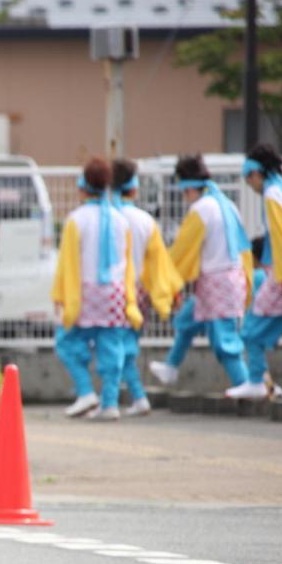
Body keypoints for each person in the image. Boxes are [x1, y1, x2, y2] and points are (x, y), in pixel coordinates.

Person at [148, 155, 253, 395]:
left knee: (224, 340)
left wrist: (166, 281)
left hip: (217, 282)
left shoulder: (202, 210)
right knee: (186, 321)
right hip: (228, 280)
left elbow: (181, 251)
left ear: (190, 187)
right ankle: (171, 367)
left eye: (183, 193)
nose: (184, 199)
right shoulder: (226, 204)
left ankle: (246, 383)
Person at [51, 158, 142, 421]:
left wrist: (60, 297)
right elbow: (127, 265)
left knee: (67, 341)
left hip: (84, 293)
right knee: (112, 346)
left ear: (83, 187)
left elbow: (66, 264)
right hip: (114, 294)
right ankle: (110, 403)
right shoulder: (119, 218)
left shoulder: (75, 220)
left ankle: (85, 391)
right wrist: (130, 298)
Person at [110, 159, 185, 416]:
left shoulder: (109, 216)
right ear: (134, 189)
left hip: (110, 291)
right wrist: (171, 292)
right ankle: (133, 396)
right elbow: (160, 263)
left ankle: (129, 397)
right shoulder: (145, 220)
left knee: (114, 346)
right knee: (126, 344)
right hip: (138, 292)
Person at [237, 143, 282, 398]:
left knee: (252, 328)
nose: (249, 185)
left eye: (247, 178)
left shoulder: (273, 195)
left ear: (256, 173)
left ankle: (256, 380)